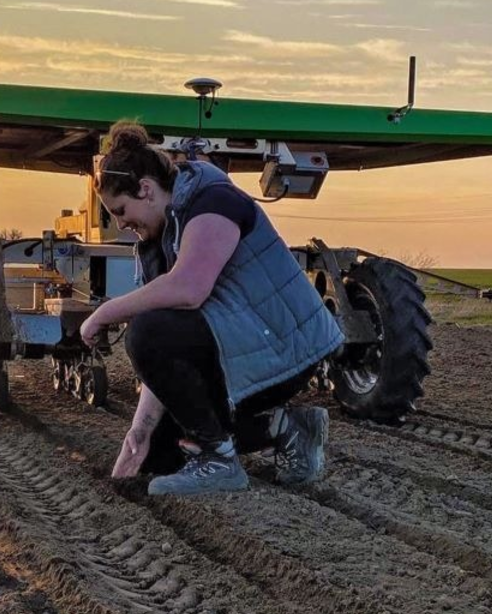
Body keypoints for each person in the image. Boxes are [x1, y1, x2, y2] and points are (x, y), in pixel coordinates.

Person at [79, 121, 344, 496]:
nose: (122, 224)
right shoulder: (163, 237)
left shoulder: (213, 201)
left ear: (146, 189)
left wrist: (106, 312)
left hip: (287, 348)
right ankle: (286, 428)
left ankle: (219, 460)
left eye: (121, 210)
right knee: (159, 452)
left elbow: (189, 289)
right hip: (244, 345)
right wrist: (138, 434)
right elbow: (165, 356)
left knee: (145, 330)